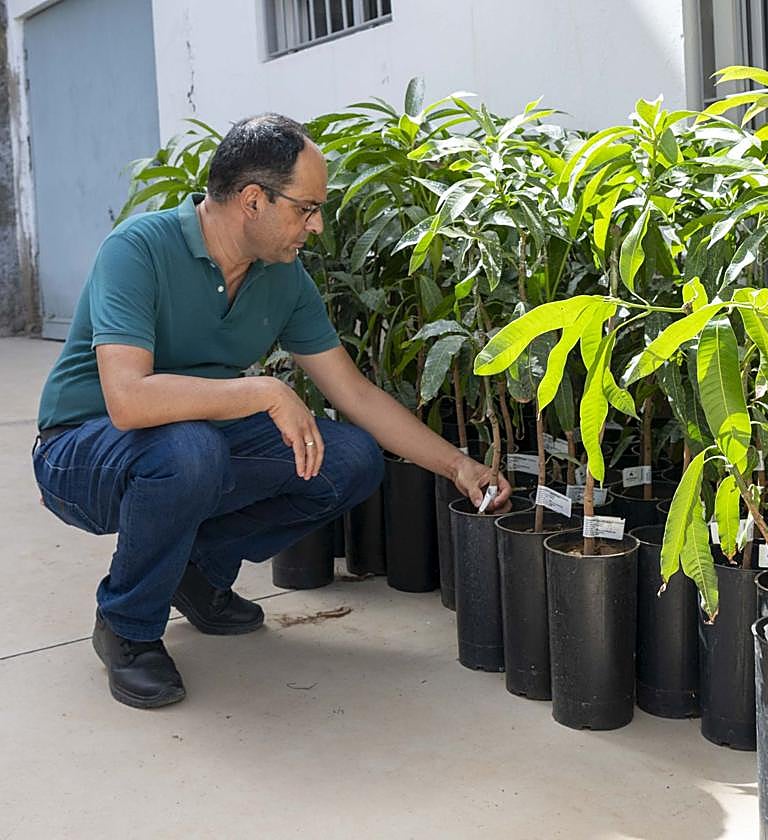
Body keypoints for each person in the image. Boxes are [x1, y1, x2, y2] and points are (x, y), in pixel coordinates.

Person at [31, 113, 511, 710]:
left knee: (349, 460)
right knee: (191, 451)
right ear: (253, 200)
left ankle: (195, 572)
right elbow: (128, 401)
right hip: (82, 450)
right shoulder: (139, 249)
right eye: (306, 208)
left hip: (194, 446)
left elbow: (355, 394)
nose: (317, 226)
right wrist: (264, 392)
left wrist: (458, 466)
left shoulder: (283, 277)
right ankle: (127, 627)